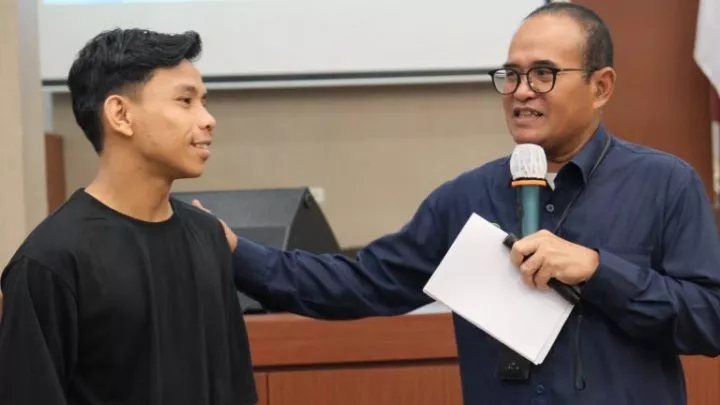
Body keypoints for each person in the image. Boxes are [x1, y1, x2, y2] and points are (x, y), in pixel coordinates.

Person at [195, 3, 720, 405]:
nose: (521, 92)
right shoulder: (467, 198)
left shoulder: (664, 184)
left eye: (543, 74)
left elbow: (709, 319)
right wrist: (236, 252)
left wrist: (599, 271)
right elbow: (359, 284)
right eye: (511, 75)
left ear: (600, 86)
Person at [0, 29, 257, 405]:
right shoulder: (50, 260)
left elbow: (235, 388)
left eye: (204, 102)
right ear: (120, 114)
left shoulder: (208, 236)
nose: (208, 119)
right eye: (185, 101)